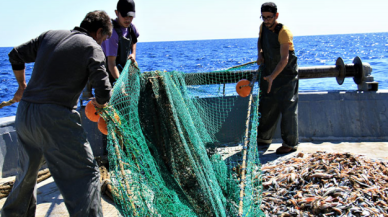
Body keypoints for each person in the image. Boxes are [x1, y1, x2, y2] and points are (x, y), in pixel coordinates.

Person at [1, 10, 113, 217]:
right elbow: (104, 92)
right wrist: (98, 103)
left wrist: (21, 85)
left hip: (25, 114)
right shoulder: (92, 47)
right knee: (85, 175)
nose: (103, 43)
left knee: (26, 175)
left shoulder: (49, 36)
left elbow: (15, 54)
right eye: (105, 39)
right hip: (56, 117)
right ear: (98, 32)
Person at [256, 2, 299, 154]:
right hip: (269, 73)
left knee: (288, 106)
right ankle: (263, 139)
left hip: (285, 75)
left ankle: (290, 143)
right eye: (264, 17)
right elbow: (260, 41)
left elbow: (284, 59)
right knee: (266, 104)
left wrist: (273, 77)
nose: (266, 20)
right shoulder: (262, 27)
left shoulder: (284, 32)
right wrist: (260, 54)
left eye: (269, 17)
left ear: (276, 16)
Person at [102, 0, 140, 86]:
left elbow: (134, 40)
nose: (128, 19)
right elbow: (111, 63)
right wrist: (121, 84)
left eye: (131, 16)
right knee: (107, 96)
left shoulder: (132, 28)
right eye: (124, 15)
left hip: (120, 68)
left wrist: (133, 54)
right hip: (107, 71)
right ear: (116, 13)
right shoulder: (112, 34)